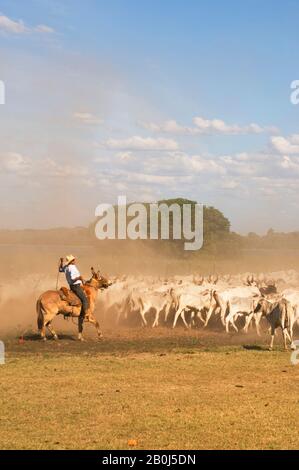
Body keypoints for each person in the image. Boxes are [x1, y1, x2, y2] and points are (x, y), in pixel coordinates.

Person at [59, 255, 89, 319]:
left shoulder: (66, 267)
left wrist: (61, 262)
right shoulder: (71, 268)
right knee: (85, 300)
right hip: (76, 286)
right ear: (71, 261)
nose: (75, 261)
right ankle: (85, 314)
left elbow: (60, 269)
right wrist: (79, 278)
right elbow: (73, 279)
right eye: (73, 260)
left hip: (72, 286)